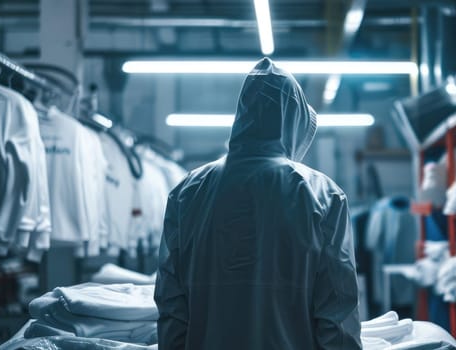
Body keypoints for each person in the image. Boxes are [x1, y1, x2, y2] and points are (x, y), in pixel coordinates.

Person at [154, 58, 361, 349]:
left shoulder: (187, 192)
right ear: (294, 123)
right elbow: (337, 313)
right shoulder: (323, 195)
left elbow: (172, 307)